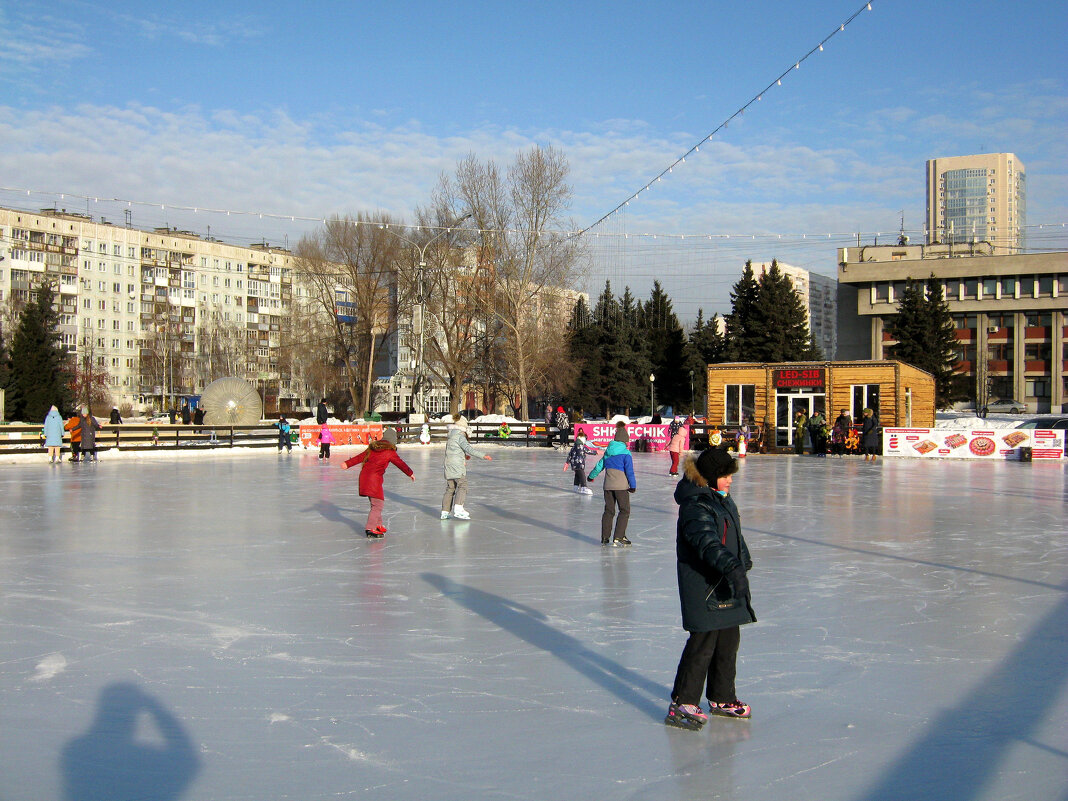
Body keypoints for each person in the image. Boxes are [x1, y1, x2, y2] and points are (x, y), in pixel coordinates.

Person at [665, 446, 756, 730]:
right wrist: (731, 567)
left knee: (728, 643)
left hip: (724, 581)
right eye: (726, 475)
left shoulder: (721, 499)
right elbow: (706, 542)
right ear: (711, 475)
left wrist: (743, 560)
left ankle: (721, 697)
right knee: (703, 643)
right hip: (704, 585)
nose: (730, 480)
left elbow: (732, 535)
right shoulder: (696, 505)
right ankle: (683, 703)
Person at [342, 428, 415, 538]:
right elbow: (400, 463)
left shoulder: (372, 448)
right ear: (392, 441)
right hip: (374, 480)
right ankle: (370, 528)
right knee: (378, 505)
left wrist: (347, 464)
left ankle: (378, 525)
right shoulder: (390, 452)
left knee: (375, 503)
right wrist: (410, 473)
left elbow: (359, 457)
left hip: (364, 478)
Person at [588, 421, 637, 546]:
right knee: (624, 510)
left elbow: (599, 466)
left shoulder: (608, 453)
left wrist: (591, 476)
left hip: (608, 487)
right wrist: (633, 485)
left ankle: (605, 537)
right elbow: (629, 471)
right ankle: (619, 536)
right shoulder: (626, 453)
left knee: (609, 511)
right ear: (625, 441)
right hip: (621, 487)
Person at [441, 415, 492, 520]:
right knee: (462, 485)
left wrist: (464, 456)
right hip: (457, 466)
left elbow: (453, 451)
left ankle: (445, 512)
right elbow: (469, 448)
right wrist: (483, 455)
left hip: (448, 464)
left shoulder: (450, 436)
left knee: (450, 488)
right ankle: (458, 508)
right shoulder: (460, 436)